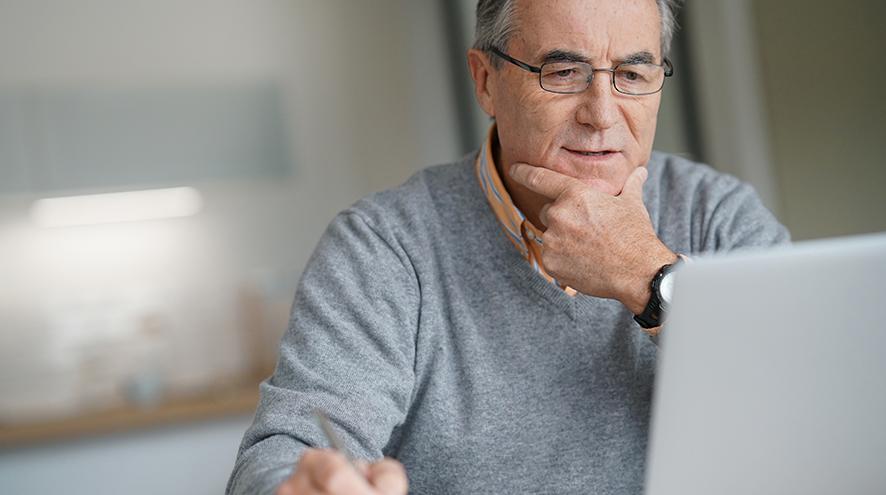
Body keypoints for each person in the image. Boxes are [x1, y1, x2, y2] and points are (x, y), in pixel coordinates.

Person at [227, 0, 789, 493]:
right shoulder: (384, 246)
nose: (601, 113)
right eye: (563, 71)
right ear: (486, 80)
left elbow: (815, 403)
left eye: (632, 74)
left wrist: (648, 277)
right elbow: (289, 449)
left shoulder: (719, 216)